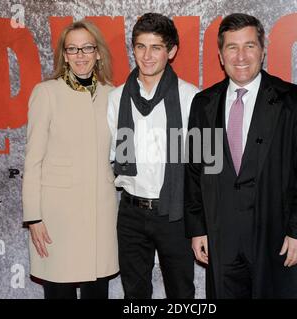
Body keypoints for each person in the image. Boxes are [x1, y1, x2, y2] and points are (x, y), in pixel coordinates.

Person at [184, 13, 297, 299]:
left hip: (277, 240)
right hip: (223, 242)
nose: (241, 56)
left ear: (262, 50)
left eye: (249, 46)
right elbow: (195, 170)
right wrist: (198, 228)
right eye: (232, 47)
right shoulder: (203, 103)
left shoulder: (293, 101)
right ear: (221, 56)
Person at [22, 20, 118, 299]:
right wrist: (34, 218)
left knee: (97, 291)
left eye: (87, 48)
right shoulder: (46, 93)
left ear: (98, 52)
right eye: (72, 48)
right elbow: (33, 161)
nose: (80, 55)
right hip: (58, 216)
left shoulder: (112, 95)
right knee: (59, 291)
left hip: (101, 212)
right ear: (64, 55)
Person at [107, 13, 198, 299]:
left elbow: (207, 165)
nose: (146, 56)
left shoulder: (193, 98)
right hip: (131, 212)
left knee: (181, 293)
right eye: (140, 46)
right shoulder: (117, 98)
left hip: (174, 213)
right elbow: (112, 157)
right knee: (134, 295)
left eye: (156, 47)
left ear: (171, 51)